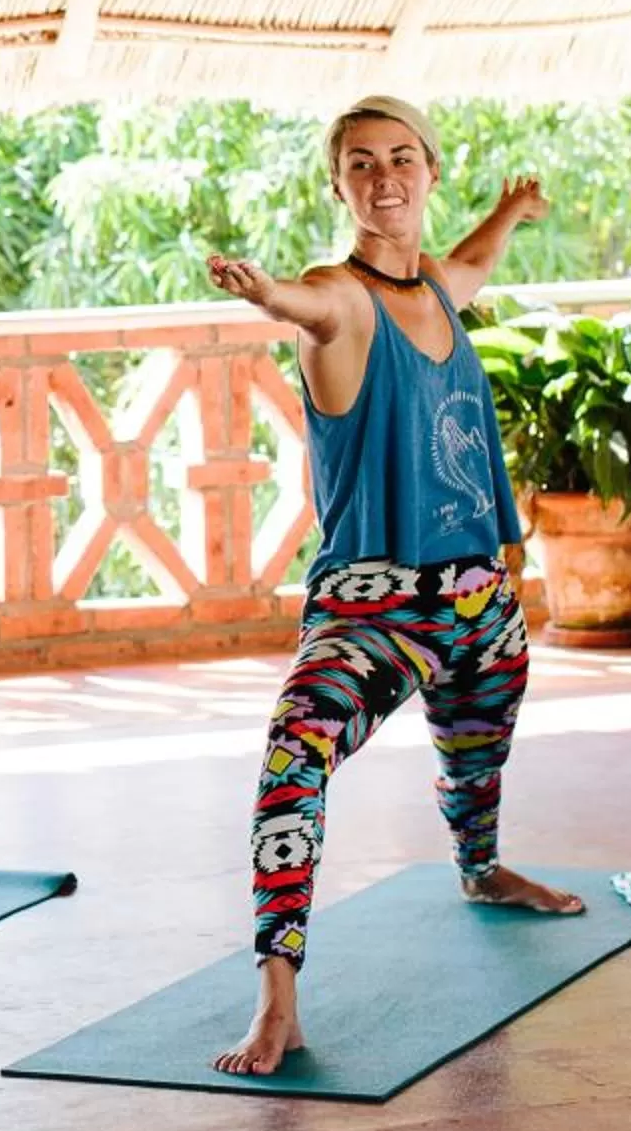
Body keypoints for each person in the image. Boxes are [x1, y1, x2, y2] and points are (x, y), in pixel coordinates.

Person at [204, 94, 586, 1076]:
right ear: (338, 185)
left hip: (483, 603)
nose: (385, 177)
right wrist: (267, 293)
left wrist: (511, 209)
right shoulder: (339, 296)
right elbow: (309, 304)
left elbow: (474, 260)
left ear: (430, 171)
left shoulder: (443, 287)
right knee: (295, 753)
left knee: (476, 760)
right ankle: (277, 999)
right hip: (375, 612)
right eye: (362, 163)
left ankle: (482, 869)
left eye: (402, 158)